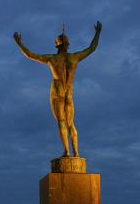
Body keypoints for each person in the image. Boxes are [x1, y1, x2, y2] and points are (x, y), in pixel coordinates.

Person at [13, 22, 102, 157]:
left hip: (58, 92)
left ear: (57, 45)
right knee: (71, 124)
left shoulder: (51, 59)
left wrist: (19, 43)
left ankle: (67, 151)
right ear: (67, 45)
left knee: (61, 122)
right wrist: (97, 33)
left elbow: (31, 55)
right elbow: (92, 48)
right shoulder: (75, 57)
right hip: (69, 93)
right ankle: (76, 153)